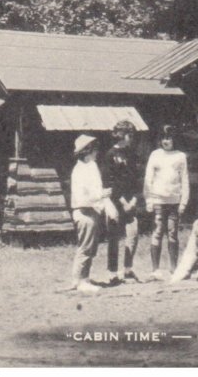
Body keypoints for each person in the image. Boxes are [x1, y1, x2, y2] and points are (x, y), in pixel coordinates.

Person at [70, 134, 117, 293]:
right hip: (84, 212)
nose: (97, 152)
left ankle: (80, 278)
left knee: (89, 247)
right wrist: (101, 195)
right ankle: (81, 280)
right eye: (94, 149)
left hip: (93, 211)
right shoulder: (79, 170)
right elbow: (82, 197)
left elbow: (95, 189)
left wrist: (102, 195)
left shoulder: (92, 166)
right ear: (87, 151)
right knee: (86, 247)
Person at [144, 125, 189, 280]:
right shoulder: (155, 155)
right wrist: (149, 199)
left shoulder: (180, 156)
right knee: (157, 232)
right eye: (163, 138)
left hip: (174, 202)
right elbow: (148, 179)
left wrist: (183, 201)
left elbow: (184, 179)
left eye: (168, 138)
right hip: (158, 200)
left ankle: (173, 267)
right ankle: (155, 269)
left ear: (174, 139)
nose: (166, 141)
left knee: (172, 233)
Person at [102, 120, 142, 283]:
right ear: (120, 135)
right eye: (129, 134)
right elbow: (109, 181)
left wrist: (133, 199)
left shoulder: (132, 154)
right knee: (114, 238)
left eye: (132, 134)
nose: (131, 137)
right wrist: (122, 201)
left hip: (130, 200)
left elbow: (135, 178)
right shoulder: (110, 154)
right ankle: (112, 272)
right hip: (115, 202)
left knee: (133, 234)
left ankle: (128, 269)